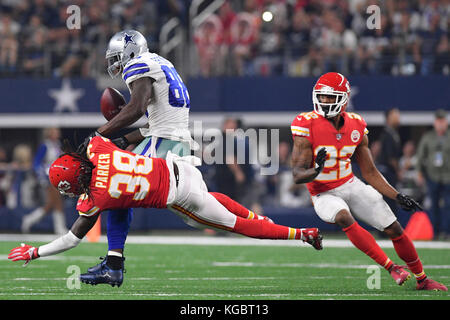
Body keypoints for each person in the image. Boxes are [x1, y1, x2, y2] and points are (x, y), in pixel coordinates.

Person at [7, 136, 323, 287]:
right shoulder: (96, 148)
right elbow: (124, 135)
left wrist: (34, 252)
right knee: (216, 202)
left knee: (235, 225)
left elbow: (71, 239)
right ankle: (264, 221)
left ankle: (301, 233)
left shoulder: (97, 199)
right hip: (179, 164)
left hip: (182, 197)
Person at [289, 72, 447, 291]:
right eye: (321, 96)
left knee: (394, 229)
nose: (324, 101)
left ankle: (422, 279)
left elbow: (370, 172)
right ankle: (391, 267)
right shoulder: (306, 124)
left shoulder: (356, 125)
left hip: (349, 184)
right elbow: (297, 174)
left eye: (329, 97)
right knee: (344, 216)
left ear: (343, 98)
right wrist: (316, 169)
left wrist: (397, 195)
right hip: (323, 193)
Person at [77, 29, 194, 283]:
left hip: (163, 143)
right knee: (203, 209)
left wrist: (99, 133)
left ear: (131, 51)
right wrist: (123, 139)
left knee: (117, 189)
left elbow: (136, 108)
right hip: (173, 141)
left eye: (117, 57)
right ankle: (113, 263)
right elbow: (157, 121)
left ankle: (110, 262)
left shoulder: (139, 64)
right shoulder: (162, 63)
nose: (115, 63)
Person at [21, 128, 67, 234]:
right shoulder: (45, 145)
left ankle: (29, 220)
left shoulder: (58, 144)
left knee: (51, 203)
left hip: (58, 176)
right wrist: (41, 176)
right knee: (57, 202)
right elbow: (36, 162)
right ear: (49, 133)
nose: (57, 133)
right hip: (48, 176)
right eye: (55, 132)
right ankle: (60, 228)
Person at [416, 109, 450, 239]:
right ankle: (435, 232)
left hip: (448, 176)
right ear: (435, 122)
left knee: (448, 205)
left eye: (443, 120)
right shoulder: (428, 137)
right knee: (434, 205)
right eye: (438, 121)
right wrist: (419, 172)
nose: (440, 123)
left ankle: (447, 232)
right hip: (432, 176)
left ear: (446, 122)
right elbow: (420, 155)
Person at [376, 108, 402, 215]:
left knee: (389, 201)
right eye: (395, 115)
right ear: (389, 118)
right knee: (389, 200)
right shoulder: (388, 134)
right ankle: (387, 229)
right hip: (388, 173)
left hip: (387, 172)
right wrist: (398, 171)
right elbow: (391, 157)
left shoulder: (392, 133)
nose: (398, 117)